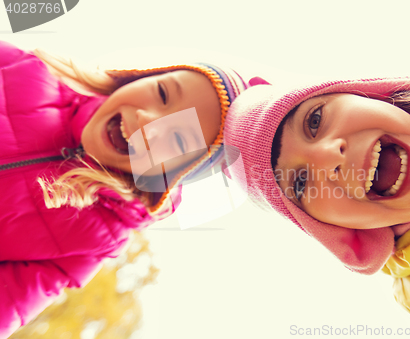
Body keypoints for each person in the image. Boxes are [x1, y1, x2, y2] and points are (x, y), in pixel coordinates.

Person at [223, 63, 410, 338]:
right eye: (300, 182)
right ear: (330, 229)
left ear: (368, 93)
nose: (330, 156)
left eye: (314, 120)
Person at [0, 40, 249, 338]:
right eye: (162, 93)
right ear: (140, 76)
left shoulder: (93, 238)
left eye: (178, 140)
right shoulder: (29, 71)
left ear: (169, 177)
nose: (146, 121)